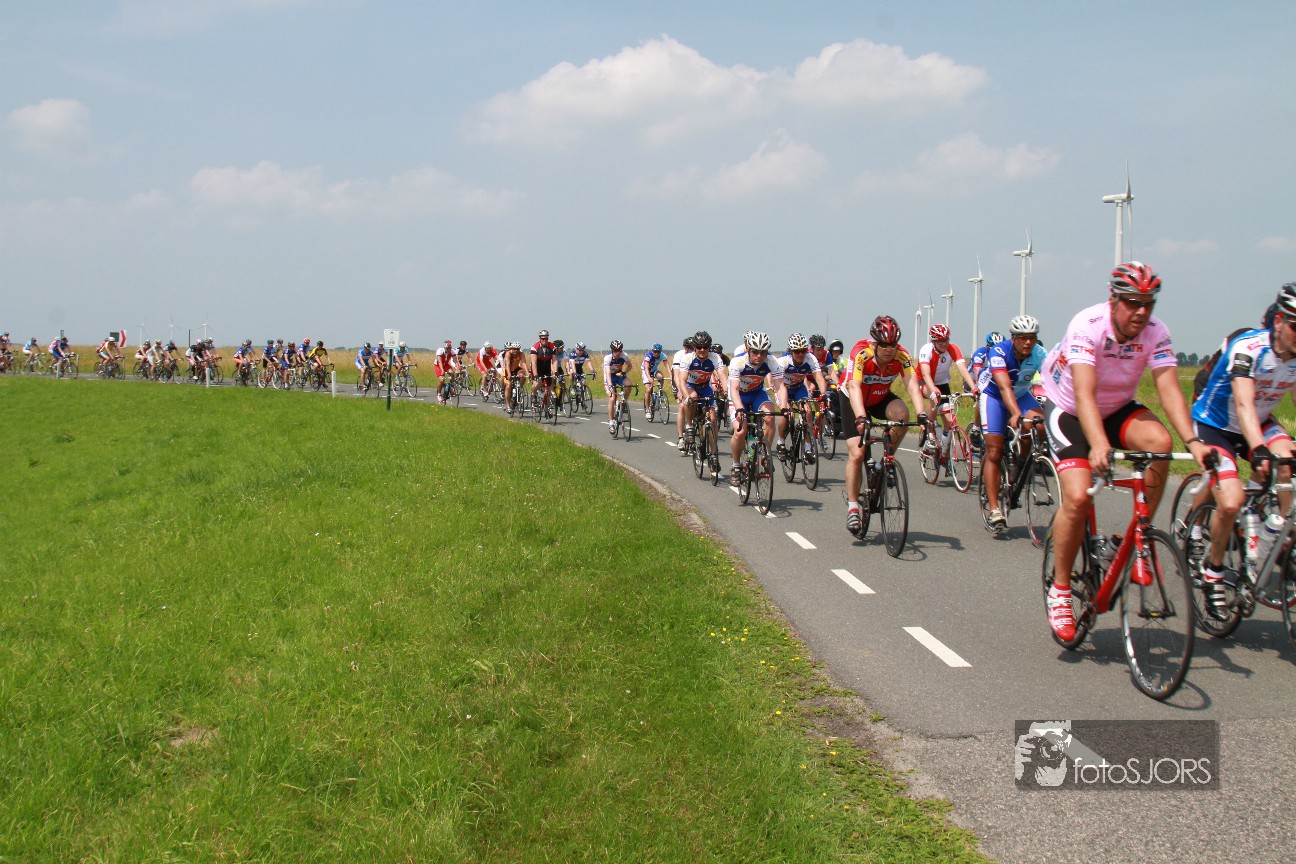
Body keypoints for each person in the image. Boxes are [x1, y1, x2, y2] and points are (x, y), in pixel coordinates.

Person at [1040, 262, 1211, 641]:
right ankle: (1061, 590)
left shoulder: (1156, 331)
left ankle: (1136, 540)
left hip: (1116, 407)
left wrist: (1194, 441)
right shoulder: (1087, 325)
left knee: (1160, 444)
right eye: (1132, 302)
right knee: (1078, 495)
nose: (1140, 311)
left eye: (1148, 303)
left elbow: (1169, 390)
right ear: (1113, 299)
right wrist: (1098, 443)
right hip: (1070, 409)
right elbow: (1084, 392)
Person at [1188, 283, 1296, 617]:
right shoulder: (1249, 347)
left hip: (1259, 422)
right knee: (1231, 501)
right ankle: (1213, 570)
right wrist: (1259, 448)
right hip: (1216, 424)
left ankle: (1276, 537)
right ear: (1279, 321)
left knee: (1287, 465)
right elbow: (1244, 403)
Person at [841, 316, 926, 536]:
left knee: (903, 415)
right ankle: (853, 507)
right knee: (857, 453)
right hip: (853, 399)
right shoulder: (861, 353)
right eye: (884, 345)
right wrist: (861, 417)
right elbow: (854, 386)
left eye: (893, 345)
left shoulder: (902, 356)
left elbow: (912, 386)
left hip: (879, 397)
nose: (889, 350)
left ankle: (883, 463)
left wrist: (922, 415)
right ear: (875, 343)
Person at [977, 315, 1045, 531]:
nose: (1028, 342)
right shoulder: (999, 352)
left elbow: (1053, 382)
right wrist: (1015, 413)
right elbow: (1004, 387)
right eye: (1023, 337)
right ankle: (994, 508)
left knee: (1040, 425)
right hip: (995, 396)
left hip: (1022, 395)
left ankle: (1021, 464)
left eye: (1032, 337)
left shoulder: (1039, 353)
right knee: (995, 451)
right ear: (1013, 338)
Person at [727, 331, 787, 486]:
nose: (759, 356)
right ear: (748, 349)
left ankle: (765, 455)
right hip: (739, 395)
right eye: (755, 352)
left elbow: (780, 386)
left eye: (763, 352)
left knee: (770, 417)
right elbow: (734, 389)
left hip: (757, 393)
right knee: (740, 431)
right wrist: (739, 409)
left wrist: (784, 407)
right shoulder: (738, 362)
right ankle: (736, 465)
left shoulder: (772, 361)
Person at [917, 324, 977, 458]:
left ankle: (944, 454)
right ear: (933, 341)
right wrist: (933, 389)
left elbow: (963, 370)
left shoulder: (953, 348)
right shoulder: (926, 349)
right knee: (934, 396)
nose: (944, 344)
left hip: (943, 384)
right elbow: (925, 374)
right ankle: (930, 429)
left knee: (950, 422)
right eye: (940, 341)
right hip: (924, 381)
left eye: (946, 340)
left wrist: (974, 388)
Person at [777, 332, 827, 456]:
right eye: (797, 351)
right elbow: (779, 384)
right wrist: (784, 403)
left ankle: (807, 446)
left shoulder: (810, 358)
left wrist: (823, 395)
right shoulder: (783, 361)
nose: (800, 354)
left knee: (808, 411)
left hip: (799, 388)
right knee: (787, 414)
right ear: (791, 351)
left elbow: (819, 378)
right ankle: (781, 441)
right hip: (784, 388)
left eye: (803, 351)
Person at [671, 336, 696, 448]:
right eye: (688, 348)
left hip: (693, 382)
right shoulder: (679, 355)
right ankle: (681, 438)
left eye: (692, 348)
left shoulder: (697, 355)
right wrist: (680, 391)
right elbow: (677, 376)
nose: (689, 350)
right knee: (682, 405)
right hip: (679, 382)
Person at [604, 341, 633, 428]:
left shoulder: (624, 355)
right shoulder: (608, 357)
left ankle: (624, 402)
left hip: (618, 375)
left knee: (629, 384)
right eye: (615, 351)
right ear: (612, 350)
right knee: (612, 399)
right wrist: (610, 385)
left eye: (619, 351)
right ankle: (611, 421)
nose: (618, 353)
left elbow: (630, 366)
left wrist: (624, 372)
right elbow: (608, 373)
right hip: (609, 377)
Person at [641, 343, 667, 419]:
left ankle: (660, 393)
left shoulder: (662, 355)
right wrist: (649, 377)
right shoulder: (648, 356)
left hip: (654, 370)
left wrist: (671, 375)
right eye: (655, 351)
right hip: (646, 371)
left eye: (658, 352)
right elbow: (646, 367)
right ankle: (647, 409)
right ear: (652, 351)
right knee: (649, 389)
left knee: (661, 377)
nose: (656, 353)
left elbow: (667, 366)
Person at [500, 341, 528, 408]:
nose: (516, 351)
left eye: (517, 349)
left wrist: (527, 372)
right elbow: (507, 364)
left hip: (516, 368)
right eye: (514, 349)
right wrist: (509, 374)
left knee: (523, 376)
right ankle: (507, 405)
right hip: (508, 369)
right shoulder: (508, 353)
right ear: (511, 349)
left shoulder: (521, 354)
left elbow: (523, 363)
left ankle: (519, 389)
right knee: (508, 385)